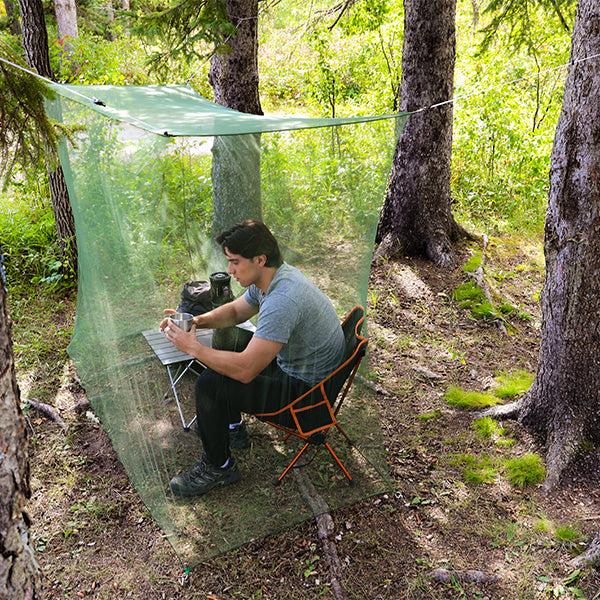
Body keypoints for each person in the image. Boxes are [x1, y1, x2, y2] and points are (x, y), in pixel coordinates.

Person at [160, 219, 345, 497]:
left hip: (307, 398)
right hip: (300, 369)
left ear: (260, 259)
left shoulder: (283, 300)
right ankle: (233, 428)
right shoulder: (274, 277)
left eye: (234, 262)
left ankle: (218, 466)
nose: (229, 270)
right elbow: (235, 312)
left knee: (210, 383)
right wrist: (195, 322)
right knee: (227, 337)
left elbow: (246, 370)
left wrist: (193, 348)